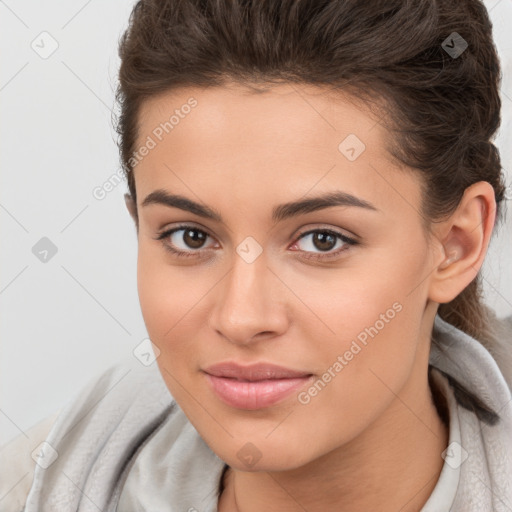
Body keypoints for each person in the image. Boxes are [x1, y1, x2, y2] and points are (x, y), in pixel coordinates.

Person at [2, 0, 512, 510]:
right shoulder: (39, 483)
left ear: (455, 245)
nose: (241, 318)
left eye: (322, 240)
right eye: (191, 237)